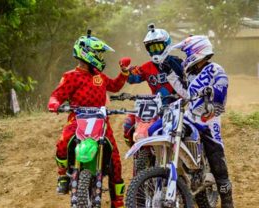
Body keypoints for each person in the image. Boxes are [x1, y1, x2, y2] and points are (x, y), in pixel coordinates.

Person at [48, 34, 130, 208]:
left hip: (101, 122)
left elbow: (114, 86)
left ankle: (118, 201)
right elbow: (57, 94)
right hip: (77, 120)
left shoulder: (99, 76)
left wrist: (123, 73)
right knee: (63, 142)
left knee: (115, 159)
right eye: (98, 54)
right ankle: (63, 175)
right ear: (87, 53)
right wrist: (54, 104)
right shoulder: (71, 76)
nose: (101, 58)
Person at [151, 35, 234, 208]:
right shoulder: (191, 73)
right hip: (189, 114)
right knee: (155, 129)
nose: (185, 57)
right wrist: (170, 73)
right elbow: (186, 94)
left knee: (216, 154)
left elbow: (222, 85)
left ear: (196, 52)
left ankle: (227, 201)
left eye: (186, 53)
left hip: (207, 118)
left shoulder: (214, 69)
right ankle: (159, 169)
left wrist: (214, 98)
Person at [123, 23, 184, 146]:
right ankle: (139, 152)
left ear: (166, 44)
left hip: (175, 106)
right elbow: (133, 78)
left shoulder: (178, 63)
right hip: (155, 106)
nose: (155, 51)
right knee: (129, 122)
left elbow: (188, 82)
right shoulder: (146, 67)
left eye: (158, 46)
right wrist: (126, 71)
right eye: (151, 48)